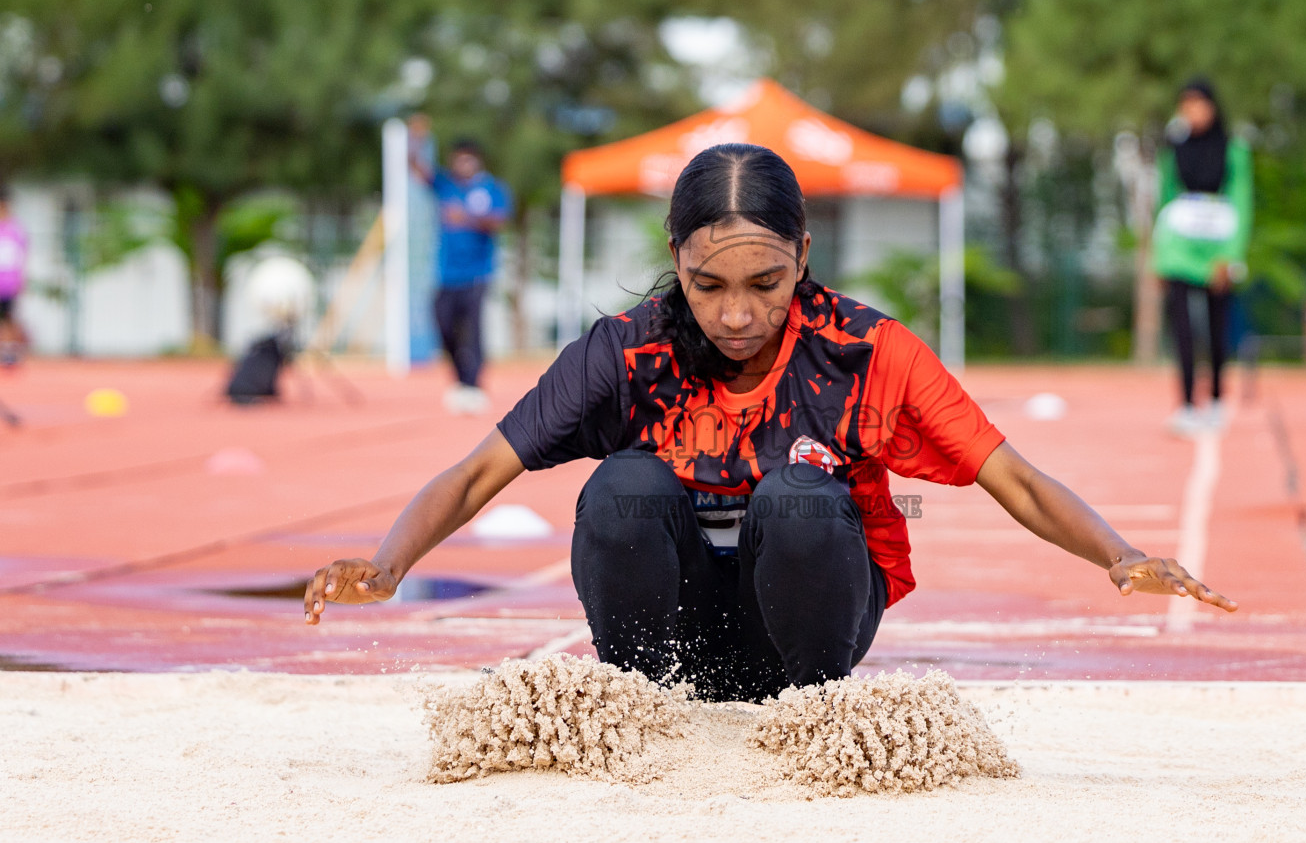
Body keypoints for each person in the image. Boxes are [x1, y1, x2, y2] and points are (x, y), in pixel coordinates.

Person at [303, 143, 1237, 702]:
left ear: (803, 256)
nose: (738, 315)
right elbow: (476, 474)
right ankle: (641, 705)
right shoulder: (625, 353)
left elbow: (1016, 478)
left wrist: (1119, 555)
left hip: (809, 620)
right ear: (675, 259)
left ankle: (813, 712)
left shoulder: (868, 353)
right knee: (623, 489)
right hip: (676, 631)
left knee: (798, 497)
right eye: (709, 286)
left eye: (766, 284)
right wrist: (389, 564)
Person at [1152, 79, 1254, 436]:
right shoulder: (1173, 149)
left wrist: (1232, 255)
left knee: (1215, 327)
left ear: (1213, 107)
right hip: (1179, 247)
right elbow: (1164, 199)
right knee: (1182, 329)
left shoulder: (1233, 149)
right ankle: (1185, 404)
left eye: (1199, 105)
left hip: (1217, 247)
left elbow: (1242, 200)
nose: (1192, 113)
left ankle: (1214, 400)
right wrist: (1158, 254)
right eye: (1186, 105)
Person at [409, 117, 511, 415]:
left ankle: (474, 385)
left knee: (474, 330)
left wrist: (465, 217)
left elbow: (499, 220)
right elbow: (415, 167)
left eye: (469, 158)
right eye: (459, 158)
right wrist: (416, 138)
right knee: (443, 325)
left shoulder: (491, 188)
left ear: (476, 161)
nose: (463, 163)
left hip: (478, 273)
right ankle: (460, 379)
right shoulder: (446, 185)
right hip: (446, 273)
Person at [0, 188, 29, 367]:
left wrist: (20, 280)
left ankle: (10, 351)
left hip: (8, 284)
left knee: (9, 318)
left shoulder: (16, 230)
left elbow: (21, 257)